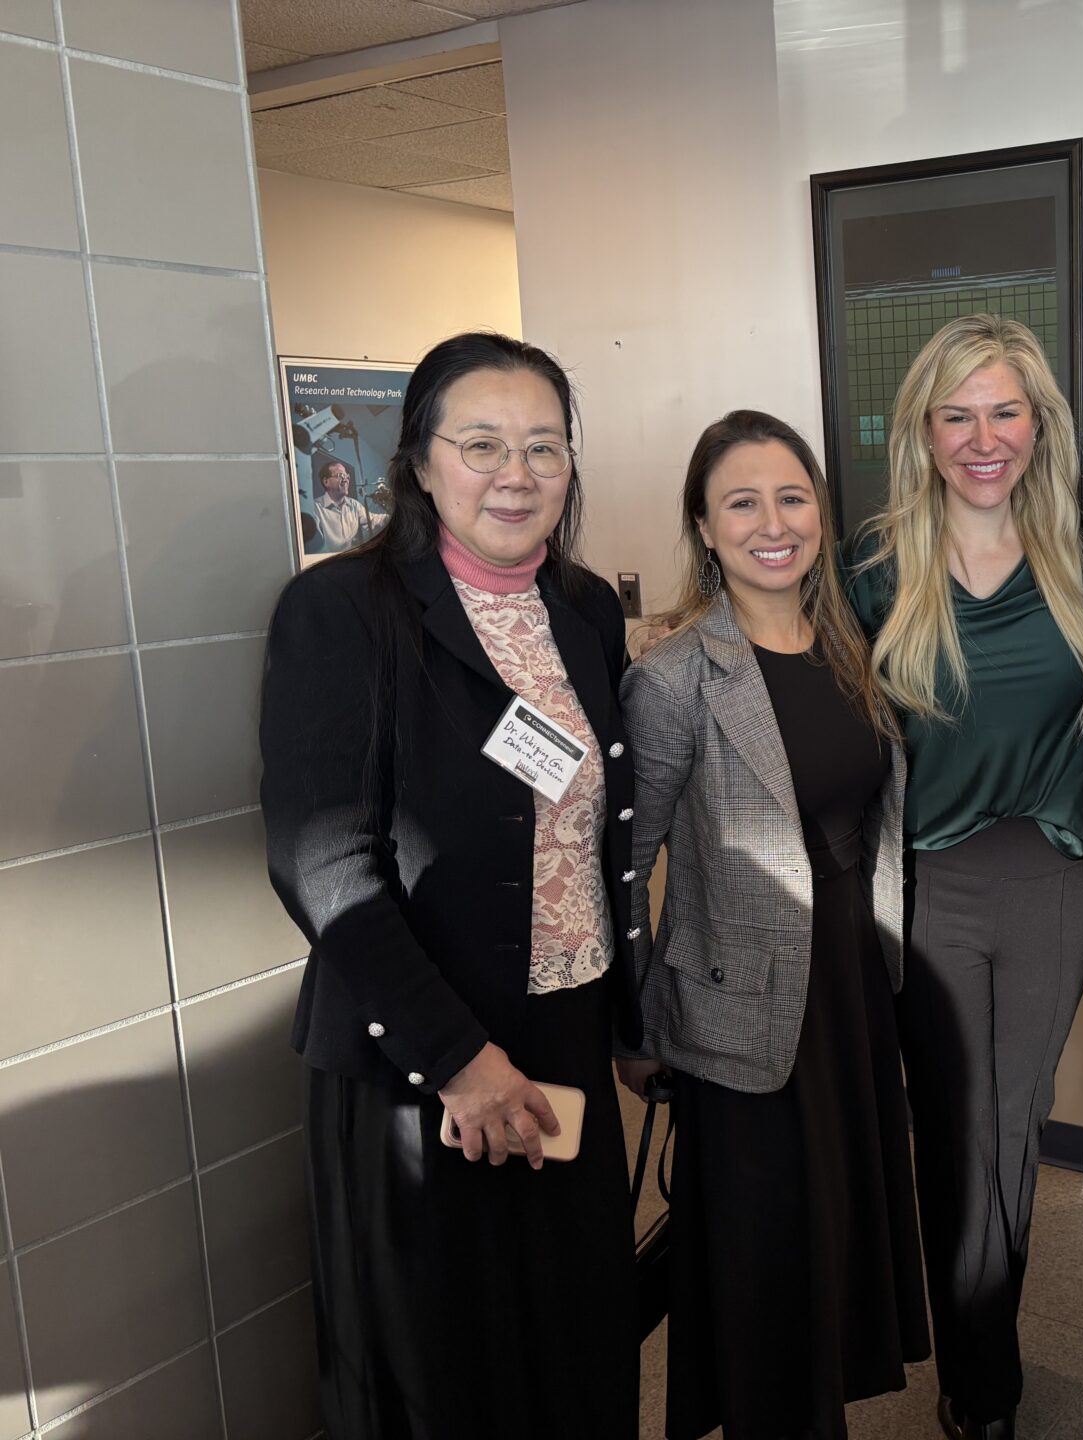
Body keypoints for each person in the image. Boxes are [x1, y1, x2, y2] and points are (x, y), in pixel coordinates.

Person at [259, 333, 641, 1437]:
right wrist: (462, 1062)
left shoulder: (582, 609)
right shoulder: (343, 610)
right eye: (481, 445)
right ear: (420, 462)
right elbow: (323, 859)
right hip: (423, 1057)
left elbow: (593, 826)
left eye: (544, 447)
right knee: (449, 1372)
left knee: (575, 1338)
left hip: (561, 1034)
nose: (516, 474)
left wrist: (627, 1017)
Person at [619, 410, 929, 1440]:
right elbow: (626, 864)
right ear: (705, 528)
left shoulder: (852, 649)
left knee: (831, 1243)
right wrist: (634, 1030)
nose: (772, 523)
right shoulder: (674, 679)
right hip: (741, 1012)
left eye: (792, 498)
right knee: (768, 1265)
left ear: (821, 514)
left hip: (848, 989)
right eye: (741, 503)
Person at [846, 314, 1083, 1440]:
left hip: (1052, 879)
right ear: (922, 431)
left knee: (1012, 1126)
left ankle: (979, 1370)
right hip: (928, 888)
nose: (982, 437)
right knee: (955, 1133)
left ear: (1039, 425)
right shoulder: (872, 575)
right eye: (956, 414)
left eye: (1005, 411)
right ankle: (982, 1384)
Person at [310, 457, 373, 552]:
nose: (346, 480)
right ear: (326, 481)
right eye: (340, 476)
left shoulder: (354, 505)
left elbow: (372, 520)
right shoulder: (315, 508)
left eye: (347, 476)